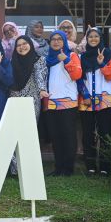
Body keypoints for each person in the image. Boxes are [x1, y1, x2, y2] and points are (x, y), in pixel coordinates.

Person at [77, 27, 111, 176]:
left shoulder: (108, 55)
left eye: (96, 36)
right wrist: (85, 95)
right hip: (86, 100)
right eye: (90, 37)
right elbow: (79, 79)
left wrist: (101, 64)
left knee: (105, 133)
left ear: (101, 38)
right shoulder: (82, 57)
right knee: (88, 134)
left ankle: (105, 167)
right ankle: (91, 166)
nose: (93, 39)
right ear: (86, 39)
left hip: (104, 100)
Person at [9, 35, 48, 175]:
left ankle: (28, 166)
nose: (22, 47)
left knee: (29, 133)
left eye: (24, 43)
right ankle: (15, 168)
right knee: (13, 132)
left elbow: (40, 76)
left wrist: (42, 89)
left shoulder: (39, 59)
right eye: (18, 45)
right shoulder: (13, 61)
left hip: (32, 101)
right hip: (14, 99)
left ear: (30, 44)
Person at [44, 30, 82, 177]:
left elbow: (77, 75)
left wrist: (66, 60)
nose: (56, 42)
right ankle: (58, 167)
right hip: (52, 102)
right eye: (53, 39)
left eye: (59, 39)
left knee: (68, 135)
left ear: (64, 41)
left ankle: (68, 168)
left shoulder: (72, 55)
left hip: (68, 102)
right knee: (56, 136)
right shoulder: (48, 59)